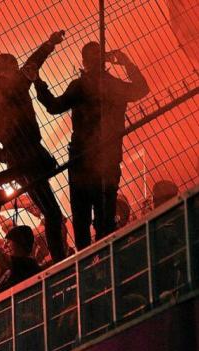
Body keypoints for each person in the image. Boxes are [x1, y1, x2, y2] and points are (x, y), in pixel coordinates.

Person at [36, 42, 149, 250]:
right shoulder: (114, 85)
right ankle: (107, 259)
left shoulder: (80, 86)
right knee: (105, 218)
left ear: (84, 62)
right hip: (109, 159)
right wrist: (126, 62)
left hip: (81, 161)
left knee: (81, 220)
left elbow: (53, 106)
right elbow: (142, 88)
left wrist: (38, 83)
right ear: (104, 60)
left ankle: (86, 266)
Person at [0, 30, 67, 263]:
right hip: (29, 157)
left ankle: (59, 257)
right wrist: (49, 44)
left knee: (51, 211)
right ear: (9, 70)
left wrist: (6, 156)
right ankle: (60, 260)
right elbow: (33, 63)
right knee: (52, 213)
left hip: (23, 159)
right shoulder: (13, 86)